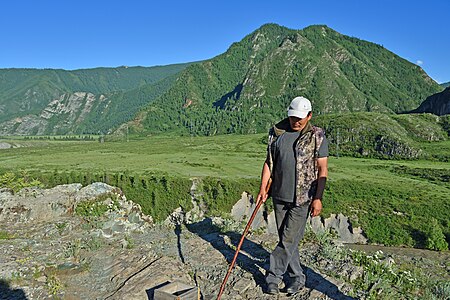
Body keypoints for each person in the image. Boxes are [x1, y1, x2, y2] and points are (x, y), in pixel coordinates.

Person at [256, 96, 329, 295]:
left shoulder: (317, 136)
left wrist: (318, 197)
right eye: (293, 117)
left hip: (303, 198)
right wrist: (263, 188)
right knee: (289, 240)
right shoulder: (277, 133)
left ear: (309, 116)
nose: (295, 121)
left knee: (288, 240)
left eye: (300, 118)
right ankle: (297, 278)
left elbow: (322, 169)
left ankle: (273, 276)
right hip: (279, 195)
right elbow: (268, 163)